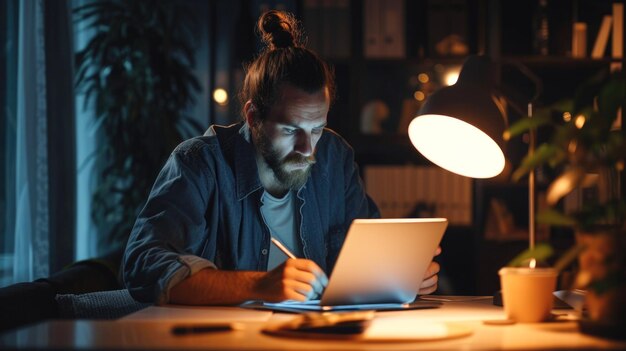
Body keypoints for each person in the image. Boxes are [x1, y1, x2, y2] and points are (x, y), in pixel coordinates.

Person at [122, 10, 440, 305]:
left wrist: (402, 273)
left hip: (319, 336)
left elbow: (367, 255)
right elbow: (143, 265)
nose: (307, 148)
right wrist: (257, 285)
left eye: (317, 129)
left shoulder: (334, 156)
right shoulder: (200, 163)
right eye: (290, 130)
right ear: (253, 116)